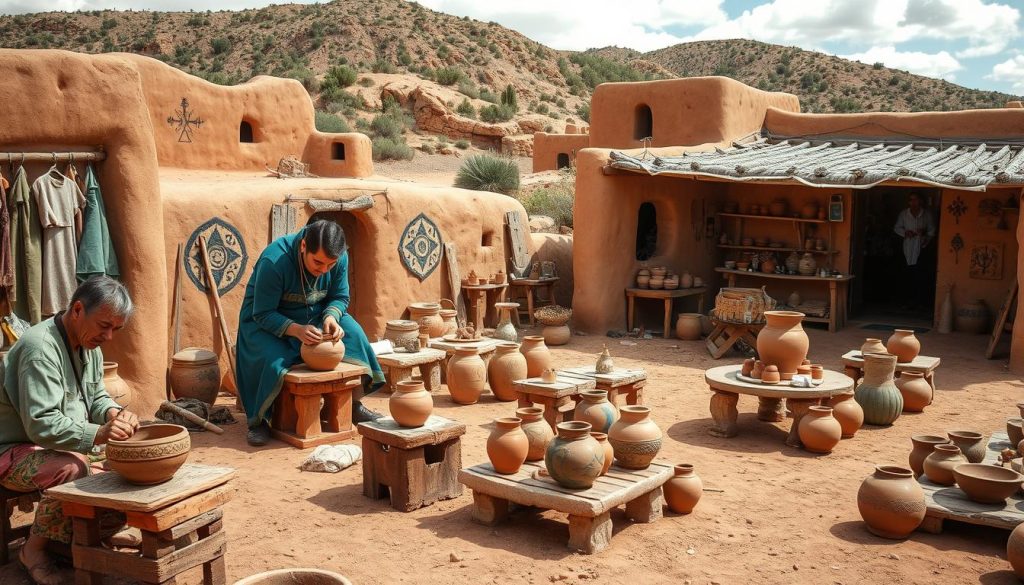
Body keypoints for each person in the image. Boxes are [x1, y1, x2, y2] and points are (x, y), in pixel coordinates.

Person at [0, 275, 139, 585]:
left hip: (59, 444)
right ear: (77, 309)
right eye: (104, 325)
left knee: (124, 465)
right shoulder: (39, 349)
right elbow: (42, 425)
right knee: (74, 468)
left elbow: (97, 397)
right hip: (12, 451)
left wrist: (114, 413)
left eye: (116, 328)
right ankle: (33, 551)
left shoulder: (89, 346)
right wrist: (100, 434)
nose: (109, 336)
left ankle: (78, 541)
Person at [237, 219, 386, 447]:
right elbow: (263, 312)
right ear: (304, 245)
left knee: (355, 334)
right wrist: (295, 330)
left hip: (316, 314)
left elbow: (340, 296)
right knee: (270, 359)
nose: (323, 270)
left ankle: (354, 406)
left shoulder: (339, 257)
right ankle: (259, 420)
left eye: (330, 264)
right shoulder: (274, 260)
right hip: (267, 320)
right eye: (318, 263)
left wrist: (331, 317)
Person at [893, 192, 936, 309]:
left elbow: (932, 230)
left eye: (915, 200)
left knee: (920, 275)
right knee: (906, 275)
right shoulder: (904, 214)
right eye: (911, 200)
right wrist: (906, 233)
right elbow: (897, 227)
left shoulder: (926, 215)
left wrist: (924, 234)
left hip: (921, 247)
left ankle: (919, 302)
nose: (913, 202)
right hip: (907, 246)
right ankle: (905, 302)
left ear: (920, 201)